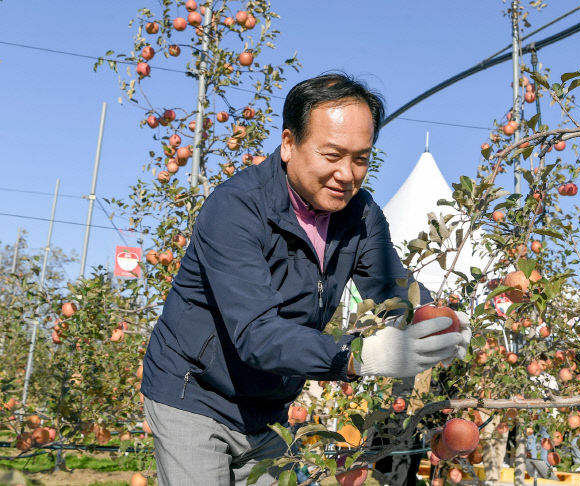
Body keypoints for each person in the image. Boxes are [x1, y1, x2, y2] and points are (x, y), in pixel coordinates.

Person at [141, 73, 471, 486]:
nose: (346, 174)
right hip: (195, 394)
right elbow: (257, 335)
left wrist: (434, 316)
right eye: (332, 155)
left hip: (271, 407)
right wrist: (358, 356)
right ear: (288, 144)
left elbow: (391, 287)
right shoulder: (236, 210)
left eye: (361, 158)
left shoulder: (360, 217)